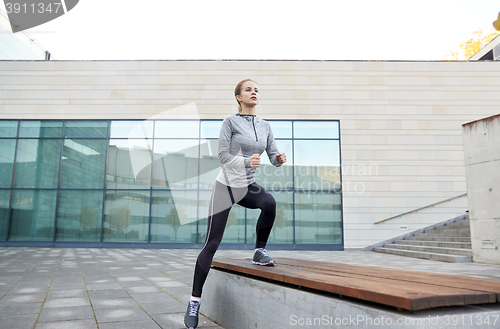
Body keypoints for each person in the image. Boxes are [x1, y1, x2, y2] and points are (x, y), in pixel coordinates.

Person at [184, 79, 287, 329]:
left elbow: (272, 155)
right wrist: (244, 161)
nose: (254, 92)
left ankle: (259, 251)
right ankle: (194, 301)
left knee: (270, 203)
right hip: (226, 187)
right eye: (249, 89)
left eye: (256, 89)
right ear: (239, 97)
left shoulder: (265, 126)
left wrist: (278, 158)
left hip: (247, 187)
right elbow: (222, 155)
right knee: (212, 244)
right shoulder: (230, 121)